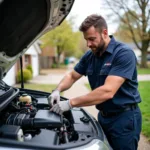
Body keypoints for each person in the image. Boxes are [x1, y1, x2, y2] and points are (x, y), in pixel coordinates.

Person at [48, 14, 142, 150]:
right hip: (103, 117)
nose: (88, 44)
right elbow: (72, 76)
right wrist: (58, 90)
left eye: (92, 39)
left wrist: (70, 103)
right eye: (86, 40)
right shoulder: (90, 55)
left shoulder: (123, 53)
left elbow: (108, 91)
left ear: (105, 33)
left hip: (124, 119)